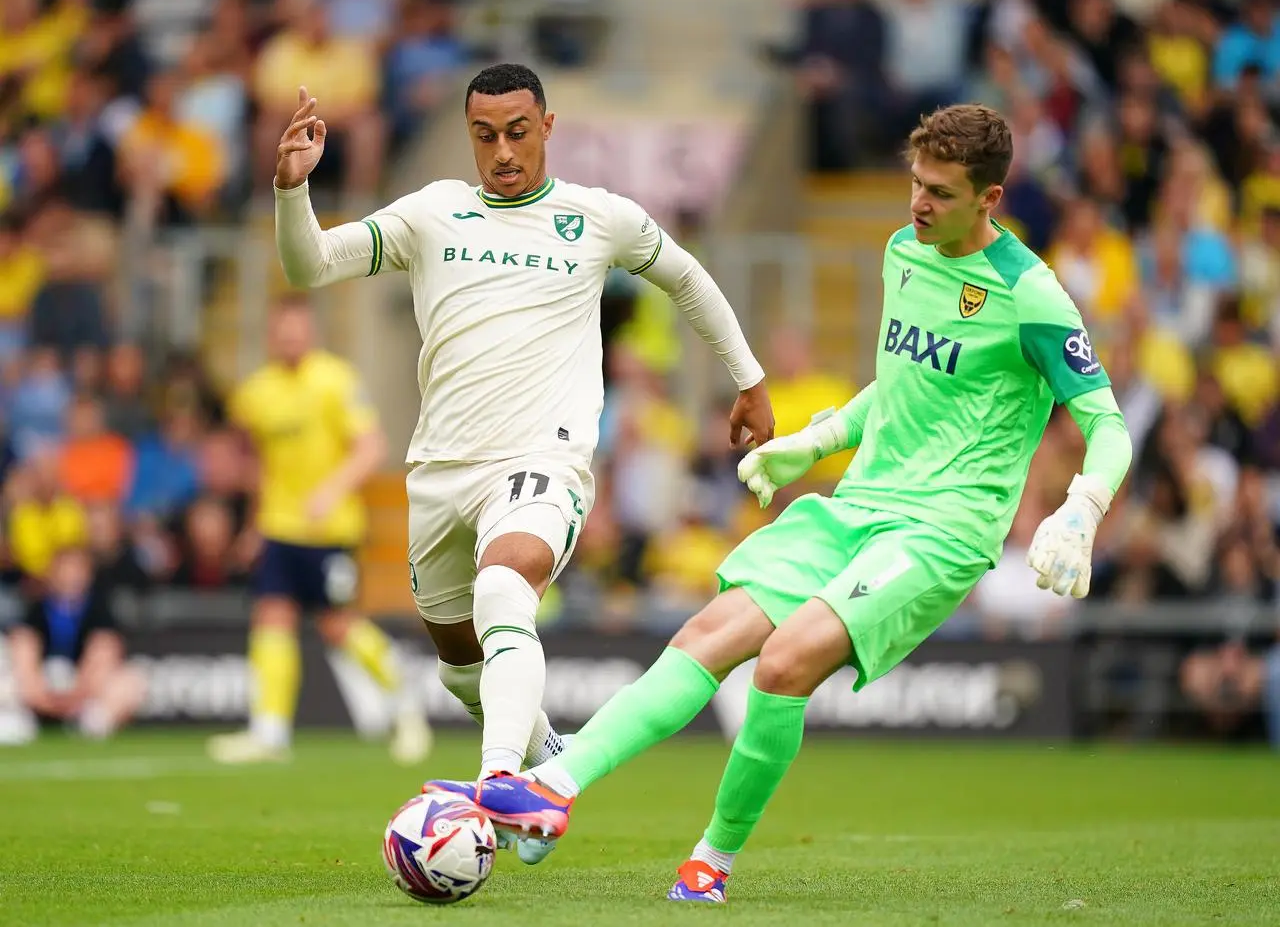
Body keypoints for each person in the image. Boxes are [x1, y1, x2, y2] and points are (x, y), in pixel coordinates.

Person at [422, 104, 1134, 901]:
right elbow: (898, 389)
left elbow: (1107, 422)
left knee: (786, 657)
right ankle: (555, 786)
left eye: (938, 191)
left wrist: (1083, 506)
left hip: (943, 529)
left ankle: (711, 861)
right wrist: (812, 441)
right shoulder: (906, 251)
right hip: (860, 503)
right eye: (913, 183)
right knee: (709, 630)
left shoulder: (1032, 296)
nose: (917, 204)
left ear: (989, 199)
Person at [270, 63, 774, 863]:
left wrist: (748, 379)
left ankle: (498, 783)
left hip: (545, 460)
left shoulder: (596, 217)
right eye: (484, 135)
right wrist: (293, 191)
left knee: (504, 587)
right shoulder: (432, 213)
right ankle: (545, 761)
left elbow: (686, 275)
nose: (502, 151)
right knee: (460, 666)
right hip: (439, 471)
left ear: (547, 124)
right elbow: (309, 267)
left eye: (516, 131)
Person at [207, 298, 432, 766]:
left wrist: (331, 490)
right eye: (281, 330)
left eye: (297, 329)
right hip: (278, 527)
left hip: (330, 529)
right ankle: (269, 732)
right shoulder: (256, 393)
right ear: (271, 334)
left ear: (310, 332)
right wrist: (253, 526)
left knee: (338, 625)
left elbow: (372, 449)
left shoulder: (336, 381)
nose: (289, 338)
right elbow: (259, 467)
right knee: (272, 619)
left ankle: (407, 709)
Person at [1, 546, 146, 744]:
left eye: (76, 571)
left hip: (83, 694)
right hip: (40, 692)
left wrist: (75, 697)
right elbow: (24, 655)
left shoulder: (99, 610)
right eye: (64, 570)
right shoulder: (35, 608)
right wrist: (43, 699)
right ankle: (23, 722)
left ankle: (89, 724)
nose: (70, 577)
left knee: (131, 681)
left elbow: (103, 656)